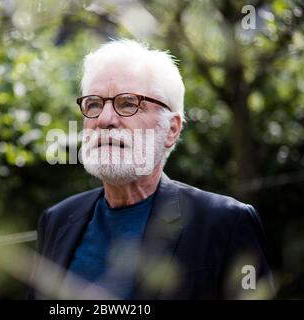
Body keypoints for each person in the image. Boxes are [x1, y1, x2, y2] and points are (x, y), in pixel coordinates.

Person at [28, 39, 274, 300]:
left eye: (127, 103)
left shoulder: (225, 223)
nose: (104, 120)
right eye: (94, 104)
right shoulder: (56, 220)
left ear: (171, 129)